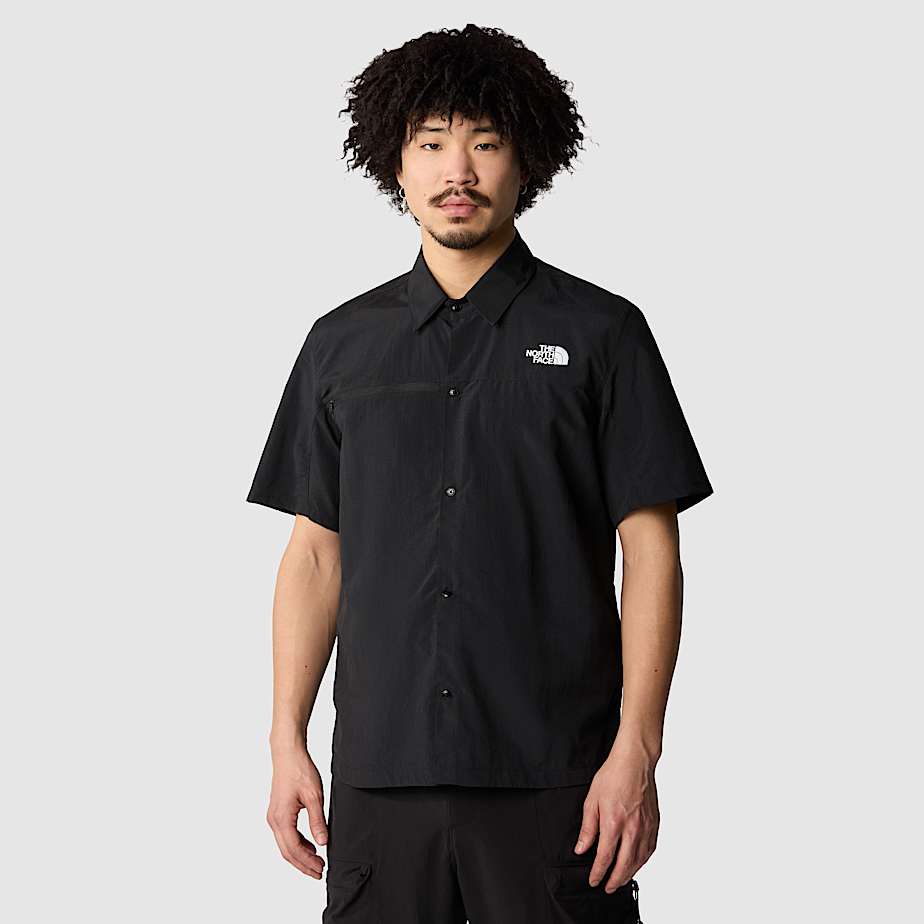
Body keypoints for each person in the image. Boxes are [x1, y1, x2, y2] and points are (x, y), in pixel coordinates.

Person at [246, 23, 713, 924]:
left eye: (485, 144)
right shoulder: (340, 344)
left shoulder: (603, 334)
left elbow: (652, 549)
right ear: (395, 164)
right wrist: (285, 740)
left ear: (526, 160)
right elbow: (313, 555)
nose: (456, 171)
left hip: (559, 780)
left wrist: (638, 750)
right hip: (380, 780)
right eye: (431, 144)